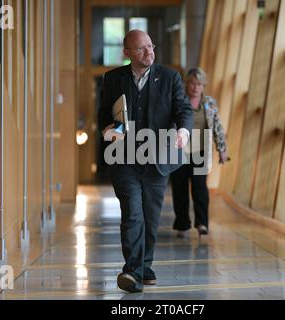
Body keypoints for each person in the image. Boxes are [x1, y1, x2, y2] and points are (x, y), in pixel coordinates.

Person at [98, 30, 193, 293]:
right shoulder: (114, 78)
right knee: (132, 213)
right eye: (141, 49)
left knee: (151, 217)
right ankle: (132, 271)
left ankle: (144, 265)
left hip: (157, 159)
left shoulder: (170, 77)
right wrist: (107, 130)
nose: (149, 52)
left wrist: (183, 131)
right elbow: (104, 113)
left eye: (151, 46)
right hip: (124, 159)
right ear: (127, 53)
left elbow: (183, 109)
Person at [171, 68, 229, 238]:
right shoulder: (179, 101)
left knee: (199, 187)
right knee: (179, 188)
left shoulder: (209, 104)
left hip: (200, 151)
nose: (195, 87)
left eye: (199, 84)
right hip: (180, 151)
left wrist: (222, 149)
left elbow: (217, 126)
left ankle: (202, 223)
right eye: (192, 83)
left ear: (203, 86)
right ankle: (182, 223)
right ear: (186, 84)